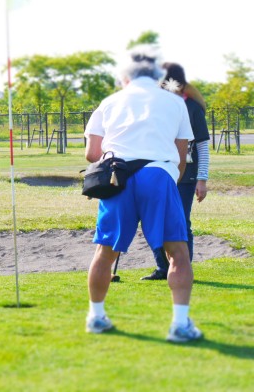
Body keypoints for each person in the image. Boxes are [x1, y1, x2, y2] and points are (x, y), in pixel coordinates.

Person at [83, 45, 203, 343]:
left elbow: (92, 153)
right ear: (157, 74)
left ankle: (96, 317)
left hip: (117, 177)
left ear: (125, 76)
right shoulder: (174, 102)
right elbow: (181, 155)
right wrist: (167, 179)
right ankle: (180, 324)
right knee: (177, 253)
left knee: (105, 252)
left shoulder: (110, 102)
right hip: (158, 175)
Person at [142, 63, 210, 280]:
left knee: (180, 222)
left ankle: (182, 269)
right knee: (153, 219)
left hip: (186, 175)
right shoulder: (155, 106)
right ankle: (163, 267)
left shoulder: (192, 107)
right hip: (158, 171)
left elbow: (202, 146)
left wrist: (202, 179)